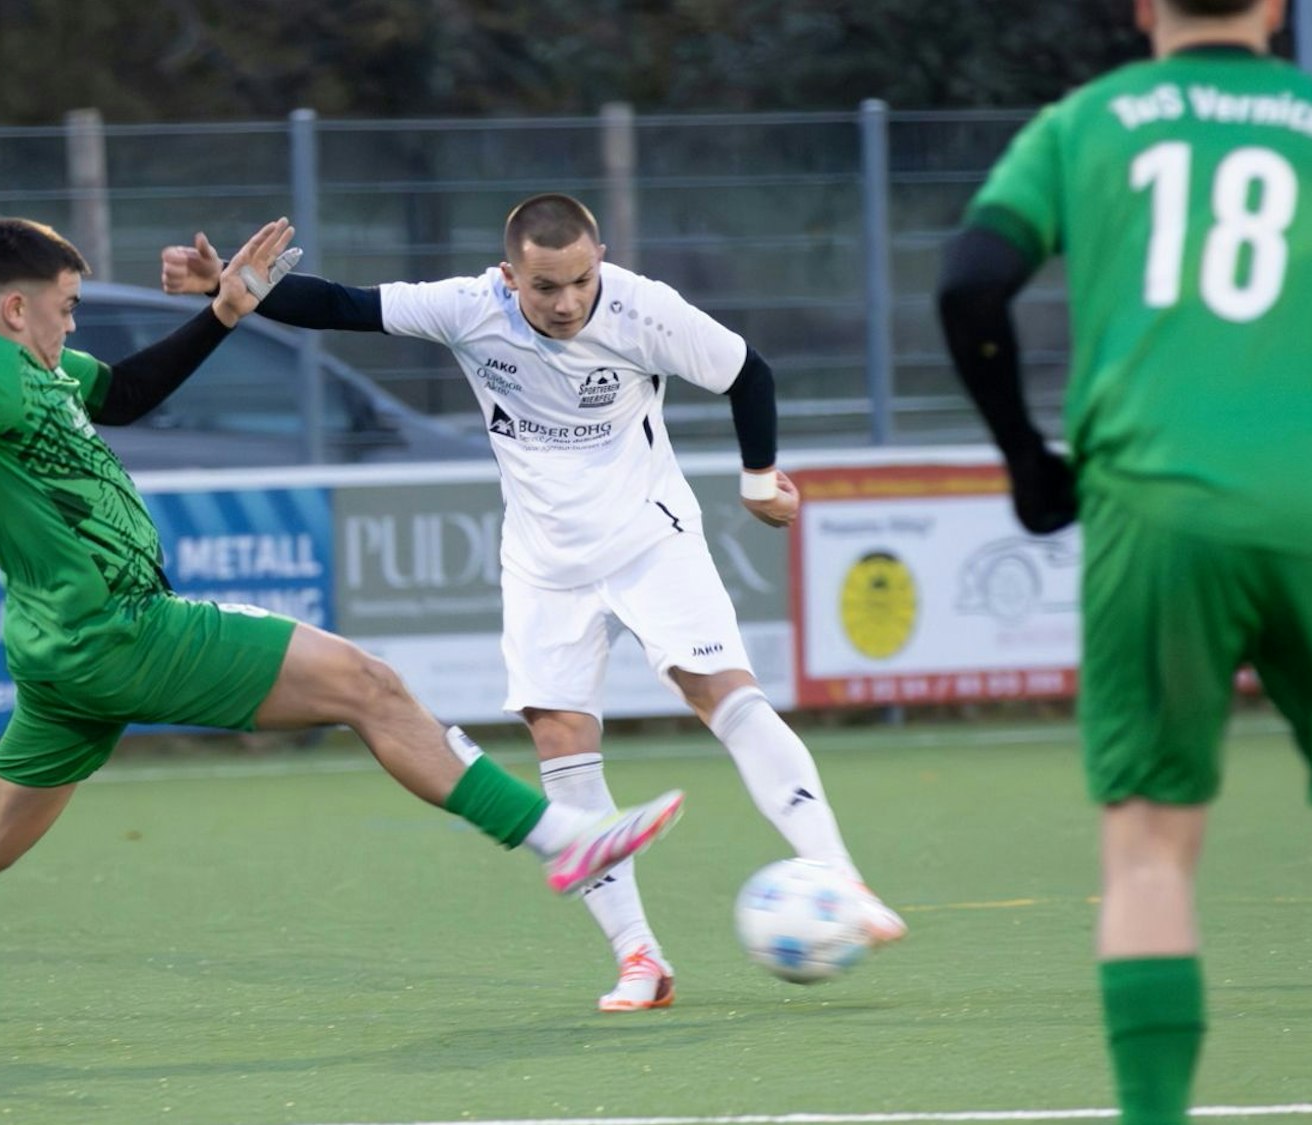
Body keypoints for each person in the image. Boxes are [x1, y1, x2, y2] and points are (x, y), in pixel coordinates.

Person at [0, 216, 686, 1056]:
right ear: (16, 307)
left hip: (61, 655)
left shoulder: (38, 368)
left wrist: (223, 312)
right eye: (66, 301)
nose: (72, 318)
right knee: (369, 686)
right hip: (119, 628)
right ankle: (562, 840)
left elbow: (128, 394)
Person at [937, 2, 1312, 1123]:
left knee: (1150, 846)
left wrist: (1024, 455)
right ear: (1278, 6)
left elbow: (968, 286)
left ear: (1142, 5)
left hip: (1152, 507)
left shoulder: (1081, 125)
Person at [160, 193, 907, 1012]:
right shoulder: (469, 308)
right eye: (545, 286)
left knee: (721, 690)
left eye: (580, 280)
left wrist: (760, 481)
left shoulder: (641, 307)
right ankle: (640, 960)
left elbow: (746, 373)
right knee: (559, 737)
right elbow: (345, 306)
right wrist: (226, 290)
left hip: (651, 540)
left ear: (600, 260)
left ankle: (841, 879)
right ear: (511, 274)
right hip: (545, 564)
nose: (565, 302)